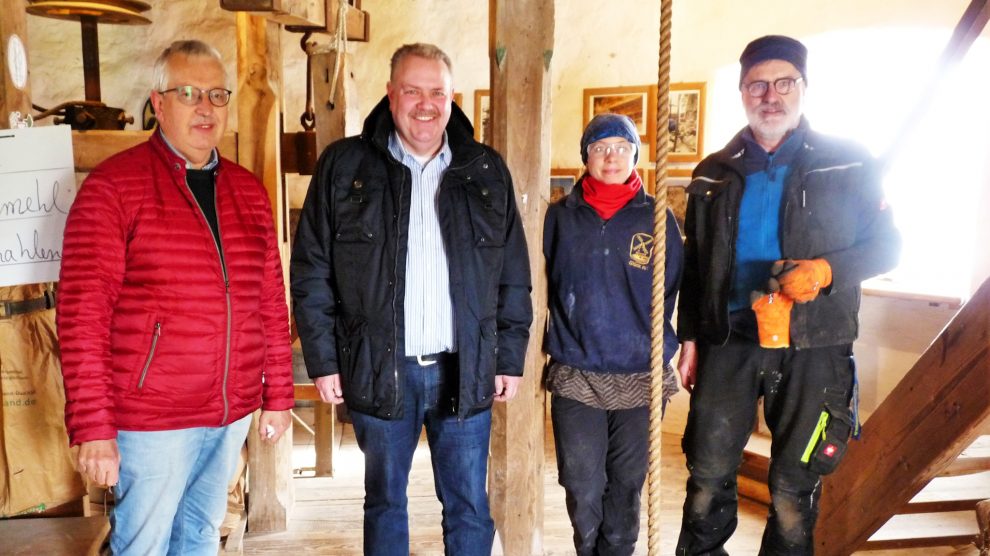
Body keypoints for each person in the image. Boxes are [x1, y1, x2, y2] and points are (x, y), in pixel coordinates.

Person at [290, 43, 532, 556]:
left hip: (463, 366)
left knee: (469, 503)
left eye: (437, 92)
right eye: (413, 91)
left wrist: (508, 357)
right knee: (384, 502)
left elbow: (513, 274)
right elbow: (311, 270)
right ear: (390, 94)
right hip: (377, 365)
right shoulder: (344, 166)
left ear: (452, 98)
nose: (426, 104)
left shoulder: (485, 171)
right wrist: (324, 360)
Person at [57, 39, 294, 555]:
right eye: (188, 93)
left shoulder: (250, 193)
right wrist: (93, 427)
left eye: (216, 94)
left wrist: (277, 395)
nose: (205, 107)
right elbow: (82, 319)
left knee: (200, 538)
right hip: (152, 421)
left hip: (229, 414)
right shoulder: (112, 190)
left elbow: (270, 305)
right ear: (158, 104)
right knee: (143, 545)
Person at [674, 35, 901, 554]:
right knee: (707, 476)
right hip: (728, 340)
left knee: (793, 487)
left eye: (783, 83)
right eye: (757, 84)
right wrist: (690, 338)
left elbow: (889, 246)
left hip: (814, 345)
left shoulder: (849, 162)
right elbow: (696, 263)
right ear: (742, 91)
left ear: (803, 87)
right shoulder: (714, 170)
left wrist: (824, 270)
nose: (769, 95)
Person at [543, 113, 683, 556]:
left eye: (622, 148)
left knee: (625, 484)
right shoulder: (560, 217)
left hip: (641, 376)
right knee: (582, 482)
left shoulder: (658, 219)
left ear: (635, 156)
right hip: (576, 371)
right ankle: (588, 550)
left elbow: (675, 285)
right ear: (585, 157)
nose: (611, 157)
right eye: (601, 147)